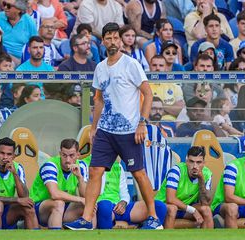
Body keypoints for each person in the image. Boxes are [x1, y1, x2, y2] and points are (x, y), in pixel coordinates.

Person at [64, 22, 160, 230]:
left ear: (121, 41)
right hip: (106, 131)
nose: (113, 41)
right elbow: (98, 100)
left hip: (129, 131)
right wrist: (93, 127)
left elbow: (148, 93)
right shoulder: (100, 67)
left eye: (116, 38)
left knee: (138, 173)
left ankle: (153, 217)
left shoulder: (131, 64)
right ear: (104, 41)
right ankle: (87, 220)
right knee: (95, 170)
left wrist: (142, 123)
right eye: (109, 38)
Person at [79, 156, 167, 229]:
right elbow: (95, 192)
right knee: (105, 206)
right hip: (101, 207)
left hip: (119, 207)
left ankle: (142, 232)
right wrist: (102, 166)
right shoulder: (84, 163)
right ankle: (115, 227)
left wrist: (123, 202)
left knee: (160, 206)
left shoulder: (118, 166)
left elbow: (124, 193)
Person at [29, 139, 88, 229]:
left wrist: (80, 177)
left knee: (91, 206)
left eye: (71, 155)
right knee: (58, 203)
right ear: (60, 154)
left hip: (65, 207)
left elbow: (85, 197)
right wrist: (80, 199)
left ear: (78, 155)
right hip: (39, 208)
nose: (68, 160)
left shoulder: (82, 166)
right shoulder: (50, 165)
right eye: (64, 155)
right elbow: (54, 194)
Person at [155, 146, 213, 229]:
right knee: (173, 208)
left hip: (184, 209)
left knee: (206, 210)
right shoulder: (176, 171)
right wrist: (193, 210)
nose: (195, 166)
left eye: (199, 162)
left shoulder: (207, 174)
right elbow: (170, 199)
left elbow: (205, 203)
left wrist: (201, 179)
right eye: (191, 162)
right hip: (164, 207)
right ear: (186, 161)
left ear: (204, 163)